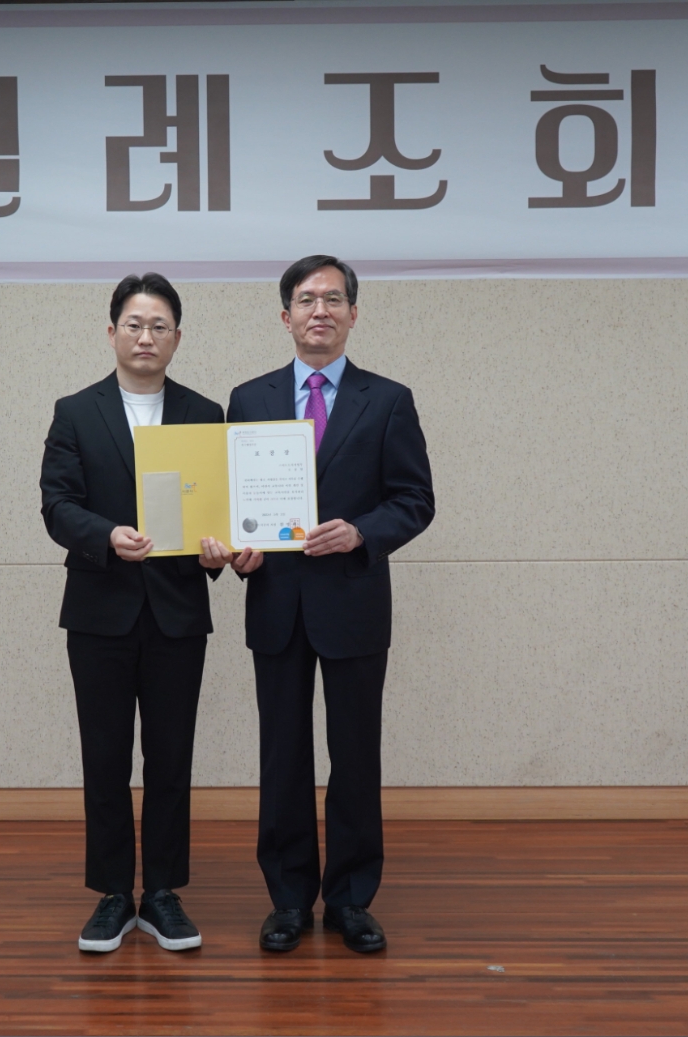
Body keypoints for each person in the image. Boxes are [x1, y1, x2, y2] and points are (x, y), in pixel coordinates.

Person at [225, 255, 435, 953]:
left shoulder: (389, 399)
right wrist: (239, 551)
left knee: (355, 756)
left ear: (353, 314)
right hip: (277, 604)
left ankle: (350, 899)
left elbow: (415, 499)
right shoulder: (248, 398)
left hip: (353, 602)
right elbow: (233, 504)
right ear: (285, 316)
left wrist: (362, 532)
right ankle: (288, 898)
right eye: (307, 299)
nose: (321, 310)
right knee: (282, 756)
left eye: (334, 299)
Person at [40, 272, 233, 953]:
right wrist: (105, 535)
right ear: (112, 332)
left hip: (178, 609)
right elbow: (57, 505)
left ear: (177, 337)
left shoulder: (205, 413)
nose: (145, 336)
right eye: (134, 324)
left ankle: (163, 894)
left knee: (171, 756)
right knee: (105, 756)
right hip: (99, 610)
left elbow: (218, 508)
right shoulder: (75, 411)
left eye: (159, 326)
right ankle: (114, 893)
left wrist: (218, 550)